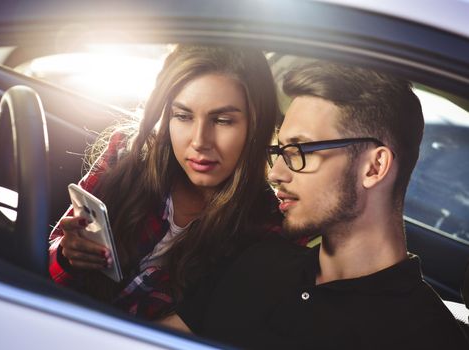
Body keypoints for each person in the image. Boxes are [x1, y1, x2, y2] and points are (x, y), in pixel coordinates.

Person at [170, 61, 469, 348]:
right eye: (280, 151)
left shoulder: (429, 338)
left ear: (374, 167)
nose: (276, 173)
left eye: (301, 150)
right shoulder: (255, 260)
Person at [48, 44, 288, 320]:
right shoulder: (128, 157)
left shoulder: (266, 226)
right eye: (183, 116)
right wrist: (68, 255)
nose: (199, 141)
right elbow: (51, 264)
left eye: (222, 120)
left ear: (257, 126)